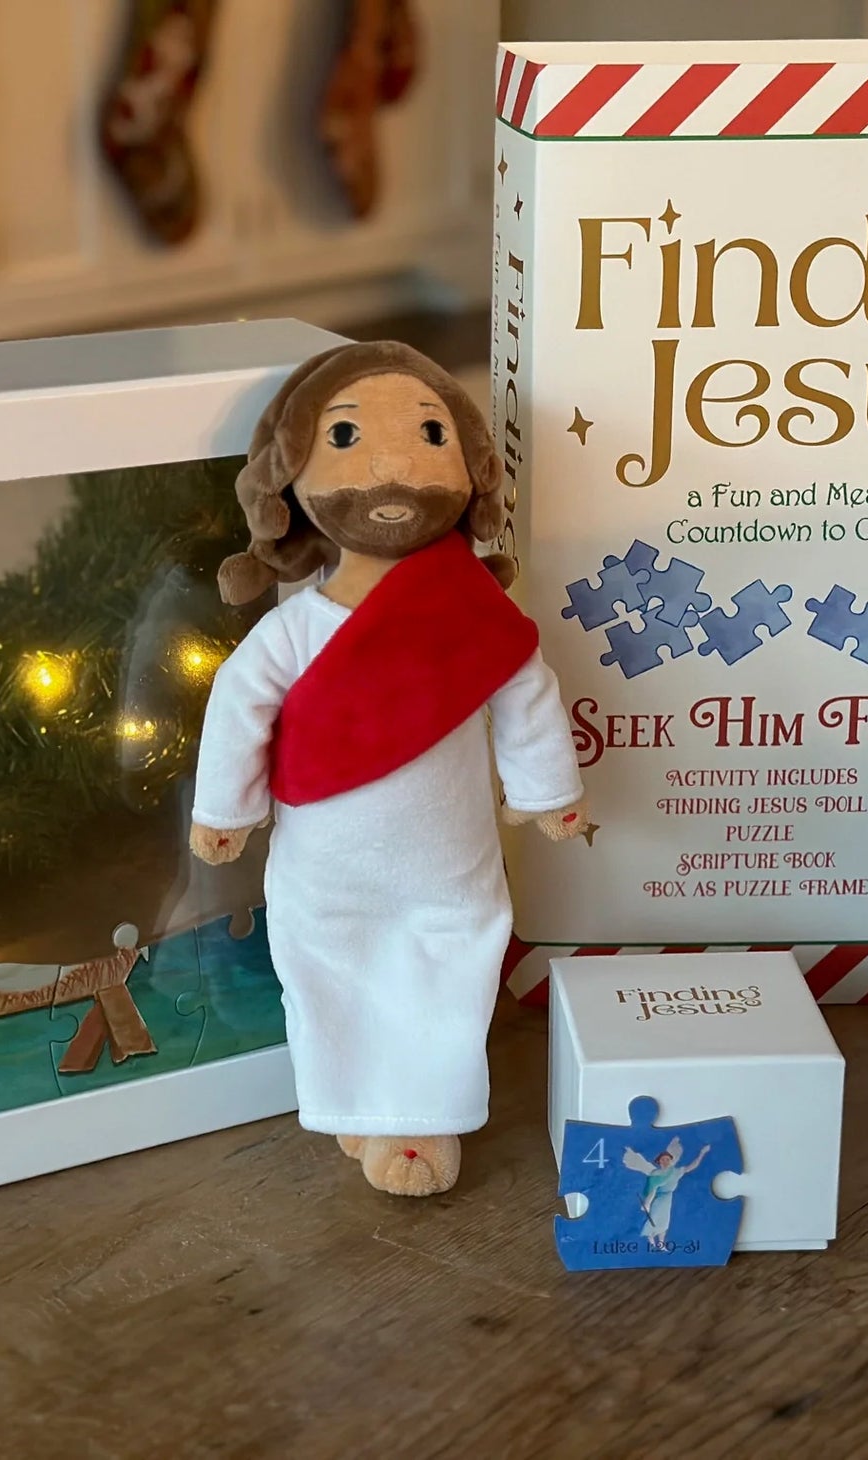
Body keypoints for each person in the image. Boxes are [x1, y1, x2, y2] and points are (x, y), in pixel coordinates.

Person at [190, 342, 586, 1197]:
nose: (394, 466)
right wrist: (226, 808)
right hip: (325, 865)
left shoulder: (470, 611)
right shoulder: (296, 628)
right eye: (344, 437)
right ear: (289, 479)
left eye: (430, 434)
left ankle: (420, 1119)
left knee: (449, 970)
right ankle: (358, 1106)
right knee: (327, 972)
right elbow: (238, 703)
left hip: (448, 861)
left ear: (471, 468)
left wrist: (547, 791)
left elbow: (525, 691)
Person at [624, 1138, 711, 1251]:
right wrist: (647, 1204)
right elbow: (652, 1189)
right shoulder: (655, 1174)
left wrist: (702, 1153)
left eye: (667, 1159)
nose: (665, 1161)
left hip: (667, 1199)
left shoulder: (675, 1172)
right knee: (654, 1220)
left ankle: (661, 1244)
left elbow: (692, 1166)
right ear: (659, 1162)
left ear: (670, 1160)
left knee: (664, 1222)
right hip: (657, 1200)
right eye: (663, 1159)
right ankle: (651, 1243)